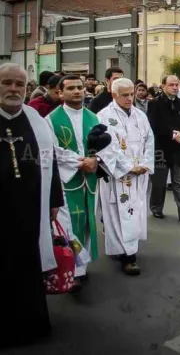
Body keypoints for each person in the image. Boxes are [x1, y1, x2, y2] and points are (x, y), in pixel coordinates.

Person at [0, 63, 64, 349]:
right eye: (6, 83)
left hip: (30, 208)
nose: (13, 89)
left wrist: (54, 201)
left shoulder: (35, 119)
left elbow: (52, 162)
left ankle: (31, 323)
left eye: (19, 84)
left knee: (28, 266)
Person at [46, 75, 114, 291]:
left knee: (87, 222)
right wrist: (80, 162)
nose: (77, 91)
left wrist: (96, 160)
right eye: (71, 88)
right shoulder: (51, 119)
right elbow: (52, 149)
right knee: (68, 225)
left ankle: (81, 269)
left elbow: (108, 146)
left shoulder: (94, 117)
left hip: (90, 181)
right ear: (60, 93)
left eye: (80, 87)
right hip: (67, 182)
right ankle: (71, 269)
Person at [97, 78, 155, 276]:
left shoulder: (140, 115)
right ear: (114, 95)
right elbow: (104, 147)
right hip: (118, 175)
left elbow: (149, 140)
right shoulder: (103, 116)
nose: (130, 98)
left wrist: (145, 164)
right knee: (118, 212)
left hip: (139, 173)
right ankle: (127, 256)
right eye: (125, 95)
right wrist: (128, 167)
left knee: (135, 210)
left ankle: (129, 249)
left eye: (131, 94)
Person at [147, 75, 180, 223]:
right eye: (171, 85)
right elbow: (153, 125)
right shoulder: (154, 104)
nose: (175, 87)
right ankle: (156, 208)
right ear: (163, 86)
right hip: (161, 148)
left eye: (176, 85)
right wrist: (172, 133)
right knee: (159, 182)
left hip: (179, 149)